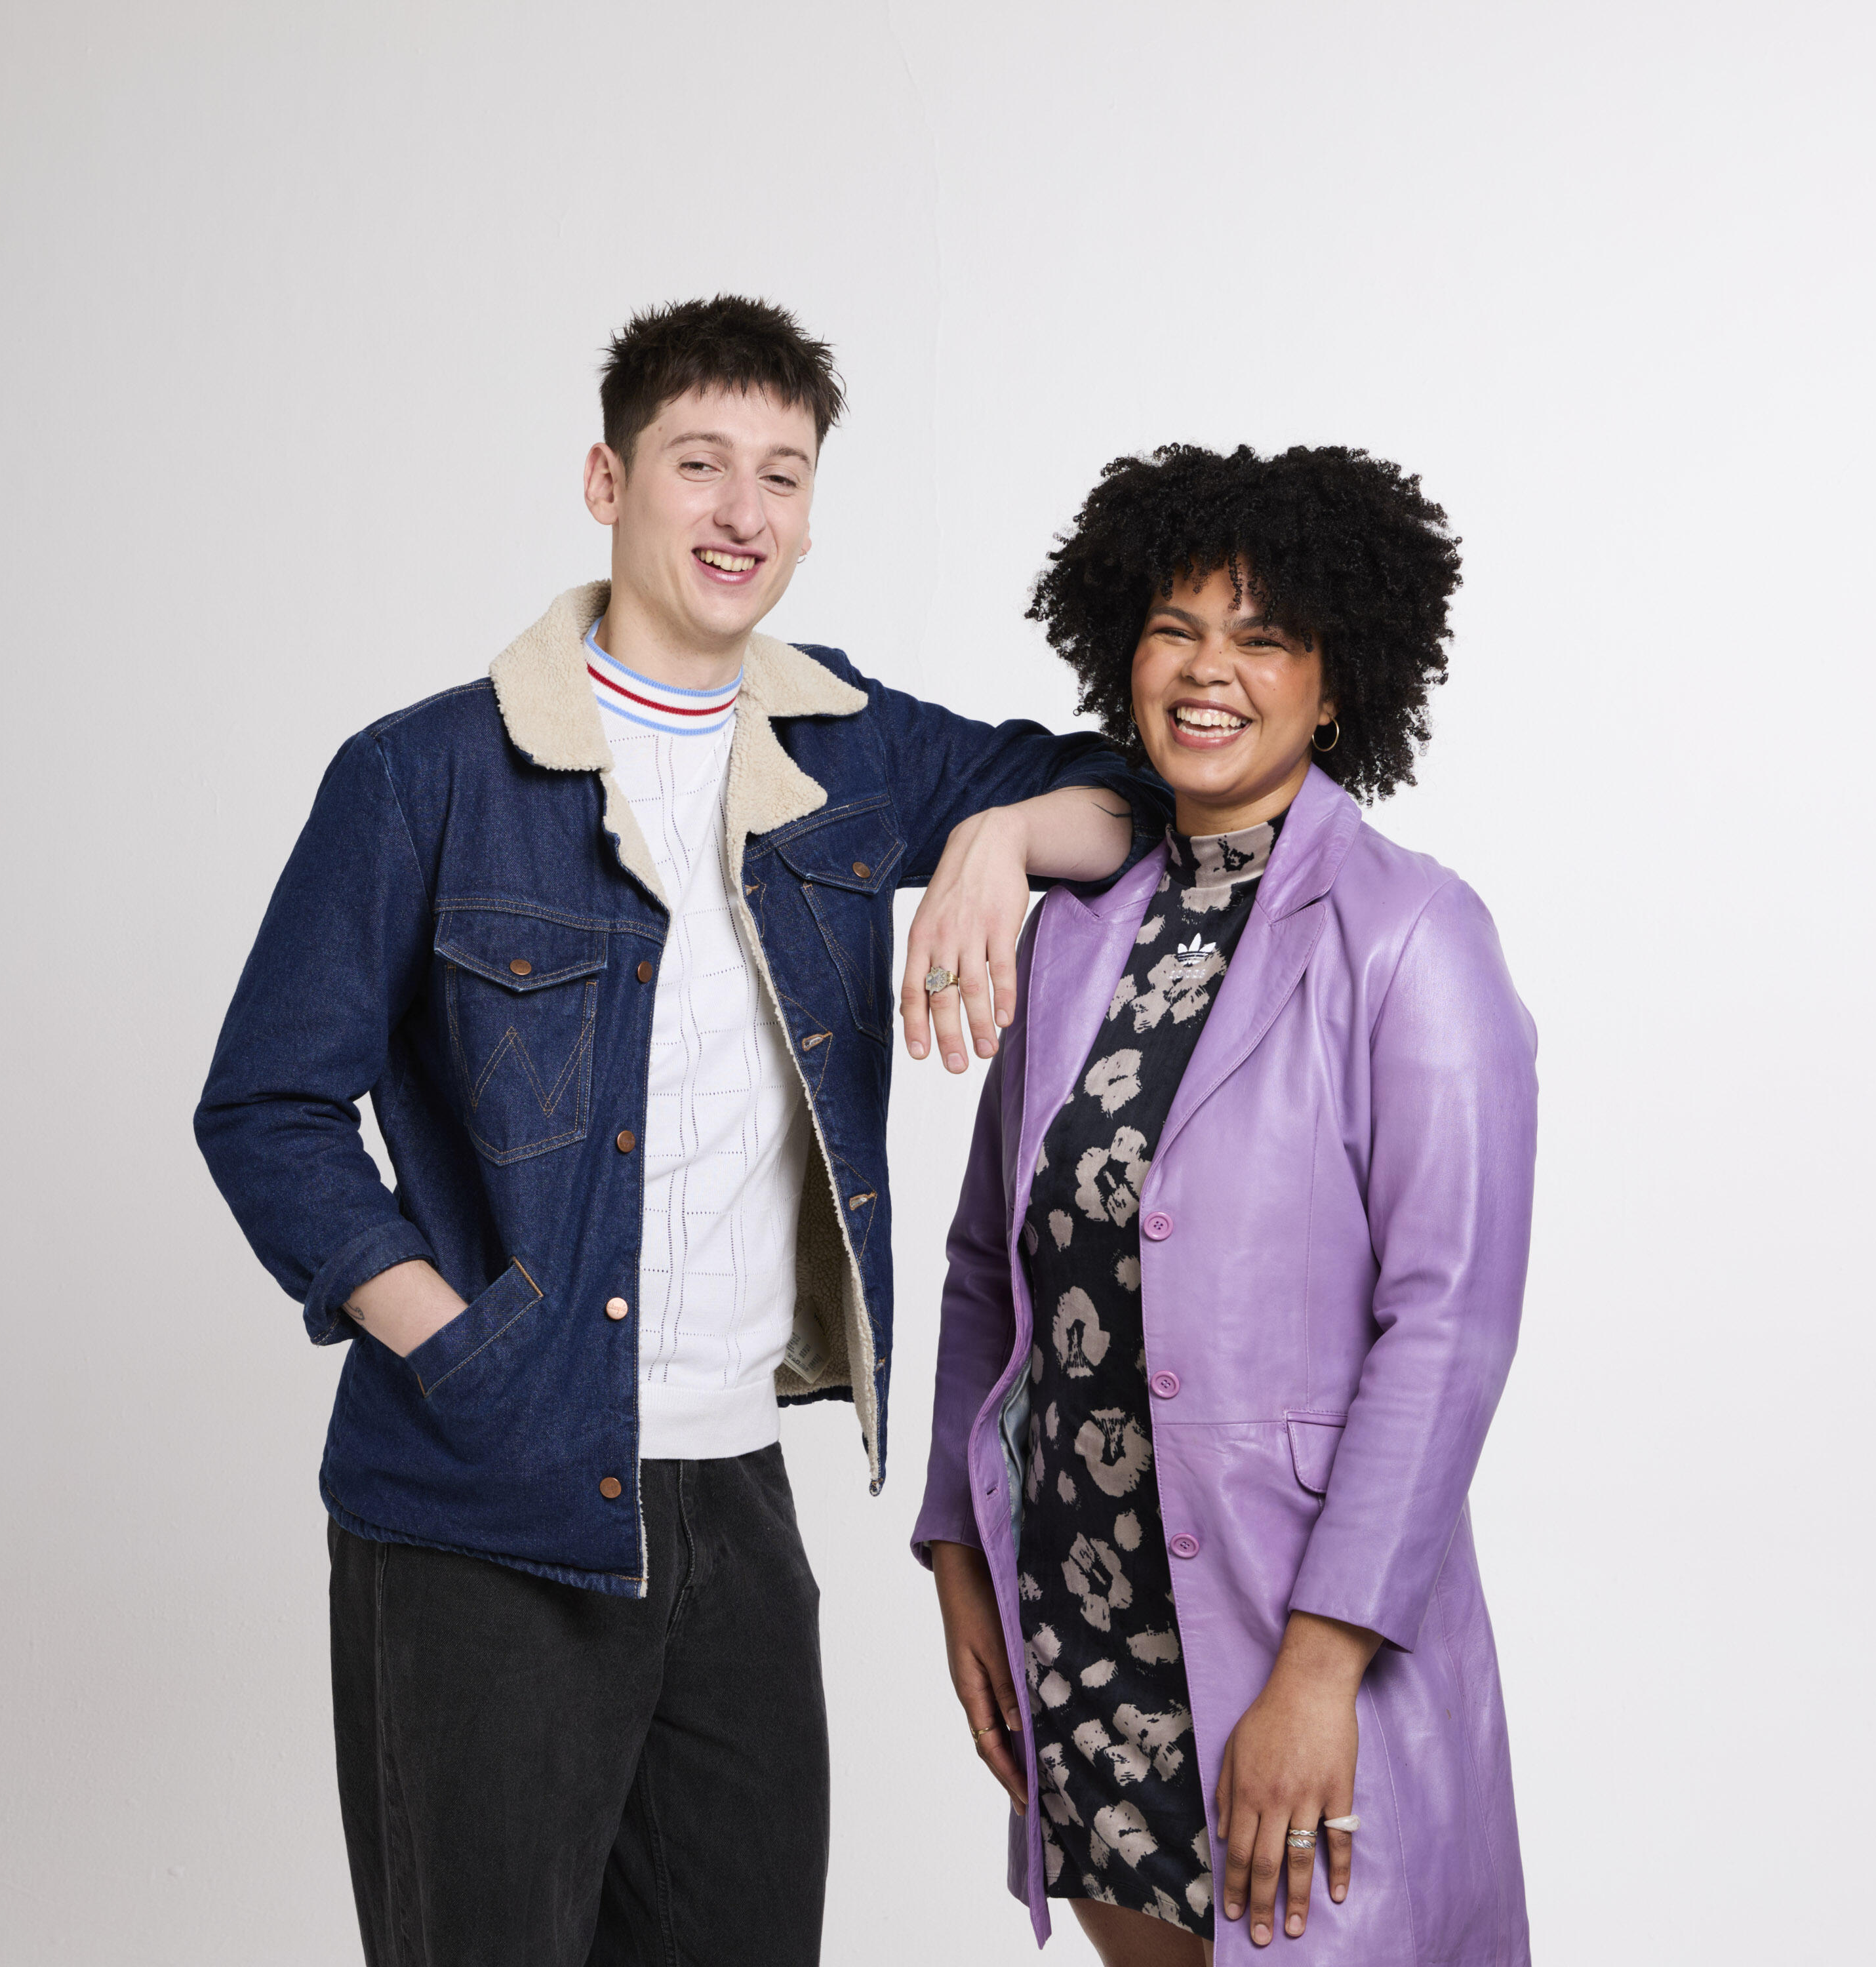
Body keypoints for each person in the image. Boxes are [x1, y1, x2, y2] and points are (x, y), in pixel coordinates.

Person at [191, 296, 1161, 1967]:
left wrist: (995, 837)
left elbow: (1123, 787)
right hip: (480, 1505)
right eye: (699, 463)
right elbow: (266, 1105)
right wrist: (464, 1348)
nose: (742, 513)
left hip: (733, 1497)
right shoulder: (425, 775)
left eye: (781, 476)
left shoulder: (846, 749)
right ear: (607, 482)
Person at [913, 444, 1538, 1964]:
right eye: (1177, 629)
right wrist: (959, 1554)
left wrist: (1320, 1672)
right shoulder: (1074, 934)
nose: (1210, 671)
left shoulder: (1412, 935)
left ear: (1337, 686)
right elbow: (988, 1268)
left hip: (1298, 1623)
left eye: (1263, 638)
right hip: (1084, 1612)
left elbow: (1446, 1323)